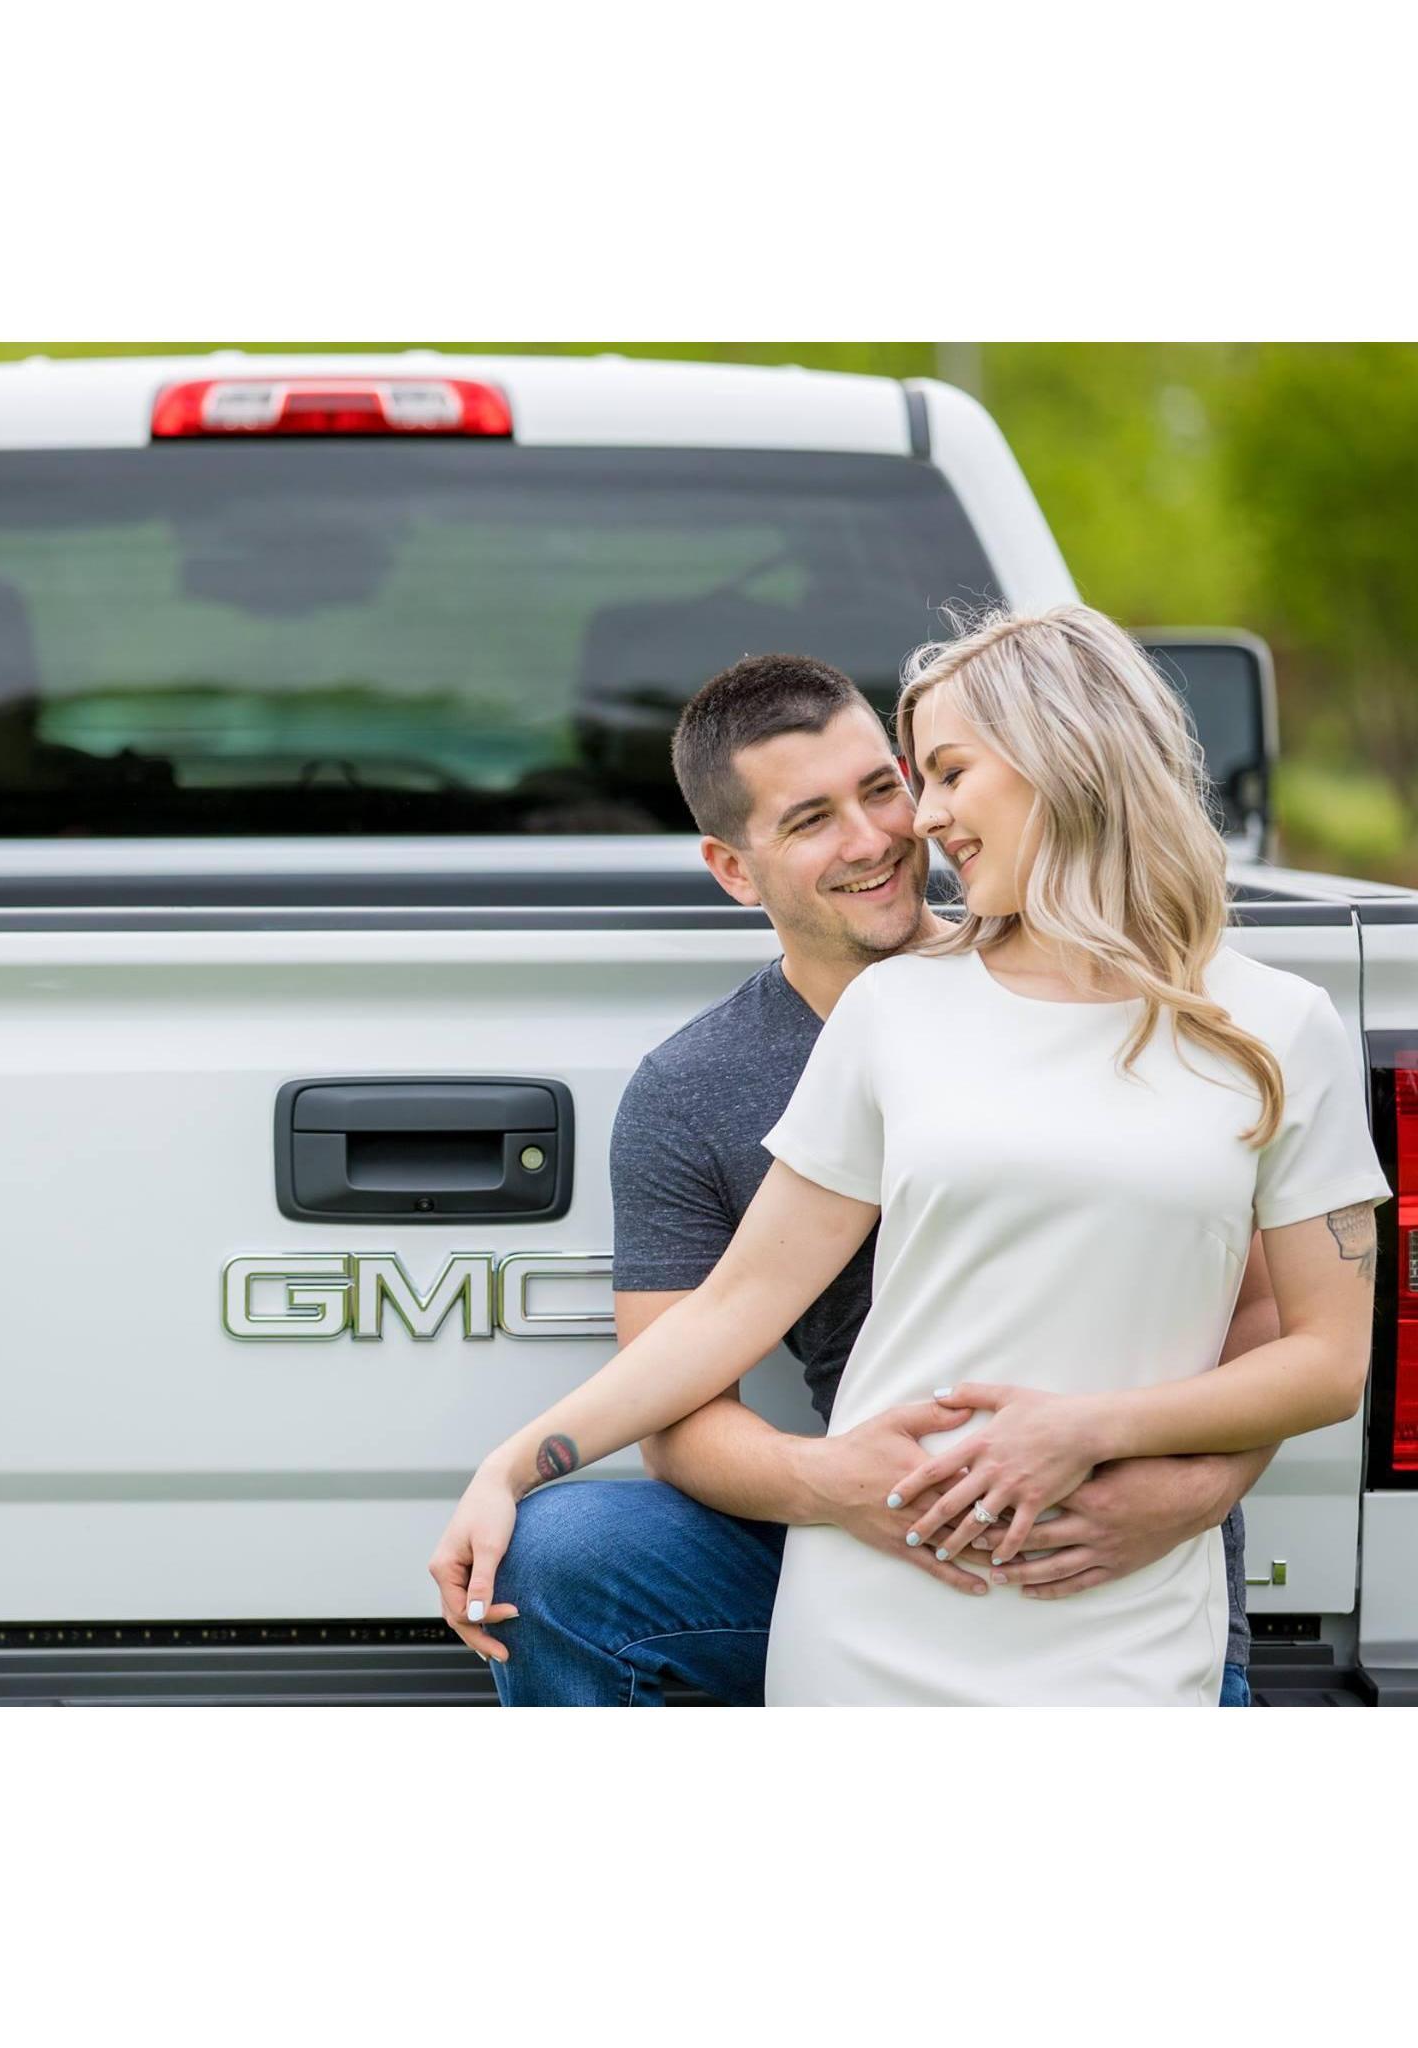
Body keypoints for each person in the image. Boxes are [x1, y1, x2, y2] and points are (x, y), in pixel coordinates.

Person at [428, 604, 1388, 1706]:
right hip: (878, 1605)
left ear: (1061, 754)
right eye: (908, 782)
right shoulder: (894, 1011)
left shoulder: (1276, 1026)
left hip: (1127, 1605)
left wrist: (1102, 1438)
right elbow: (731, 1307)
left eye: (936, 776)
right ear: (734, 866)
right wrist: (509, 1465)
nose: (916, 824)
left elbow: (1323, 1358)